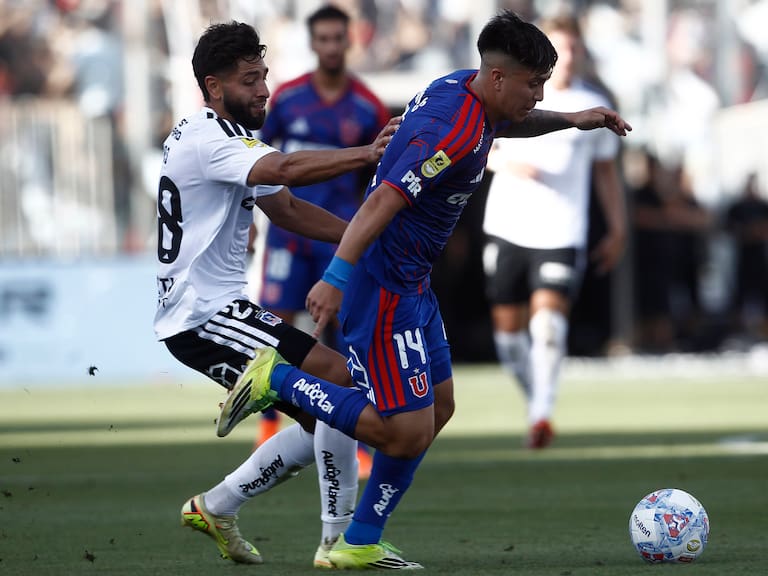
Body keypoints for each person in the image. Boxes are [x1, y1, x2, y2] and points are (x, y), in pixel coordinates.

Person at [218, 10, 631, 569]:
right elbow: (384, 199)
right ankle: (282, 379)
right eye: (534, 84)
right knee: (400, 430)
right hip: (384, 284)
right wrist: (337, 279)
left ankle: (360, 541)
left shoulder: (467, 90)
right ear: (501, 77)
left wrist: (572, 119)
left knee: (438, 409)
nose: (539, 94)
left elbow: (509, 123)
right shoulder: (450, 130)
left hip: (413, 282)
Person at [154, 20, 398, 566]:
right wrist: (364, 154)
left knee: (329, 415)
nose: (264, 89)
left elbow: (284, 206)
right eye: (249, 80)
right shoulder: (210, 141)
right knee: (339, 385)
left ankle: (216, 507)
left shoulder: (224, 137)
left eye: (264, 76)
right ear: (215, 87)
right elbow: (286, 166)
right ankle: (342, 545)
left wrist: (360, 235)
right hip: (203, 316)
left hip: (213, 312)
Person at [253, 5, 389, 477]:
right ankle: (269, 426)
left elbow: (381, 181)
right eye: (323, 38)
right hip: (287, 237)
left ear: (349, 41)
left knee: (345, 333)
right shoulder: (286, 100)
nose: (331, 46)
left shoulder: (369, 106)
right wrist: (248, 219)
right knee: (274, 325)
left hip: (339, 239)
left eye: (338, 38)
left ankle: (355, 429)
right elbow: (253, 164)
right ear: (313, 43)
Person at [481, 14, 626, 449]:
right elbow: (477, 143)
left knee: (547, 326)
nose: (569, 59)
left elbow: (605, 175)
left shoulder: (593, 104)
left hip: (562, 230)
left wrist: (618, 228)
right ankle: (536, 403)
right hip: (506, 226)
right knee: (508, 341)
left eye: (575, 50)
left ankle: (542, 415)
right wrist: (506, 162)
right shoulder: (508, 96)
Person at [724, 172, 768, 343]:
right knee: (740, 297)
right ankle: (738, 331)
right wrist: (748, 232)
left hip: (760, 259)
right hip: (742, 259)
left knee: (763, 297)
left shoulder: (763, 206)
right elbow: (728, 229)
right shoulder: (737, 207)